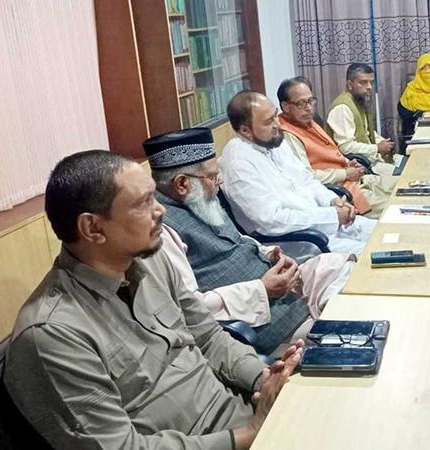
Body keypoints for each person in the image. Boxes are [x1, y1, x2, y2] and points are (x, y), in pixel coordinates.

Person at [4, 150, 303, 449]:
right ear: (93, 228)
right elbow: (123, 447)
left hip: (242, 413)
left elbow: (209, 338)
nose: (160, 210)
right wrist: (251, 433)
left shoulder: (151, 261)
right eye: (143, 203)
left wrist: (266, 380)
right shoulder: (52, 334)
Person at [144, 127, 354, 355]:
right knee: (349, 329)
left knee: (349, 273)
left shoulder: (199, 199)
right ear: (182, 184)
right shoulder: (162, 232)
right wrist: (262, 289)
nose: (219, 181)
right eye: (213, 176)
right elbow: (192, 307)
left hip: (284, 289)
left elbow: (236, 238)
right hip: (263, 320)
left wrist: (269, 253)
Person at [221, 90, 377, 255]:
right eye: (268, 122)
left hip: (325, 222)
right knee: (376, 253)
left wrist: (333, 201)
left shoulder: (273, 141)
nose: (277, 124)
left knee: (386, 230)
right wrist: (331, 216)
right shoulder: (238, 164)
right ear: (245, 131)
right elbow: (272, 221)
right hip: (302, 242)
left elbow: (307, 180)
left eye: (275, 116)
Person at [278, 76, 396, 219]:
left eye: (310, 101)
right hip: (343, 192)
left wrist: (348, 163)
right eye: (301, 103)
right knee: (400, 208)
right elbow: (307, 177)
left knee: (406, 187)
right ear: (286, 106)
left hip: (356, 179)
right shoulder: (287, 135)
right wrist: (345, 173)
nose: (309, 108)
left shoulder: (308, 122)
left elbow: (330, 152)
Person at [325, 63, 399, 175]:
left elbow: (366, 133)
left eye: (371, 82)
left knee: (410, 163)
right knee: (406, 175)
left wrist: (383, 143)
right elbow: (346, 147)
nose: (369, 87)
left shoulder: (359, 101)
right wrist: (377, 148)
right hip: (357, 166)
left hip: (371, 158)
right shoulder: (342, 108)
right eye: (363, 82)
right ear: (350, 85)